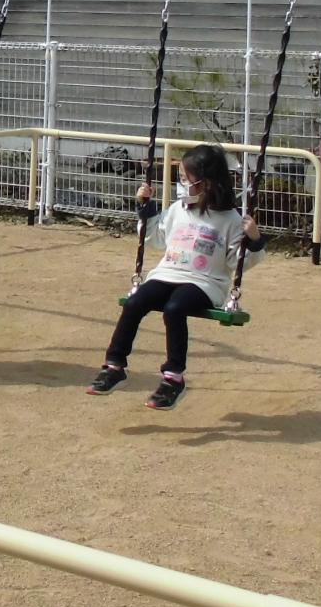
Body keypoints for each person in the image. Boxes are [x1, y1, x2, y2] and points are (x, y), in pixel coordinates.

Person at [87, 144, 265, 410]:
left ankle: (173, 378)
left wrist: (254, 241)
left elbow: (235, 262)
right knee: (135, 302)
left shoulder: (230, 220)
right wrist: (145, 210)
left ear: (208, 183)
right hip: (167, 273)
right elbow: (156, 238)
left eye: (186, 179)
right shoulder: (177, 210)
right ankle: (114, 366)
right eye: (181, 178)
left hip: (205, 282)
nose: (182, 184)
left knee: (175, 308)